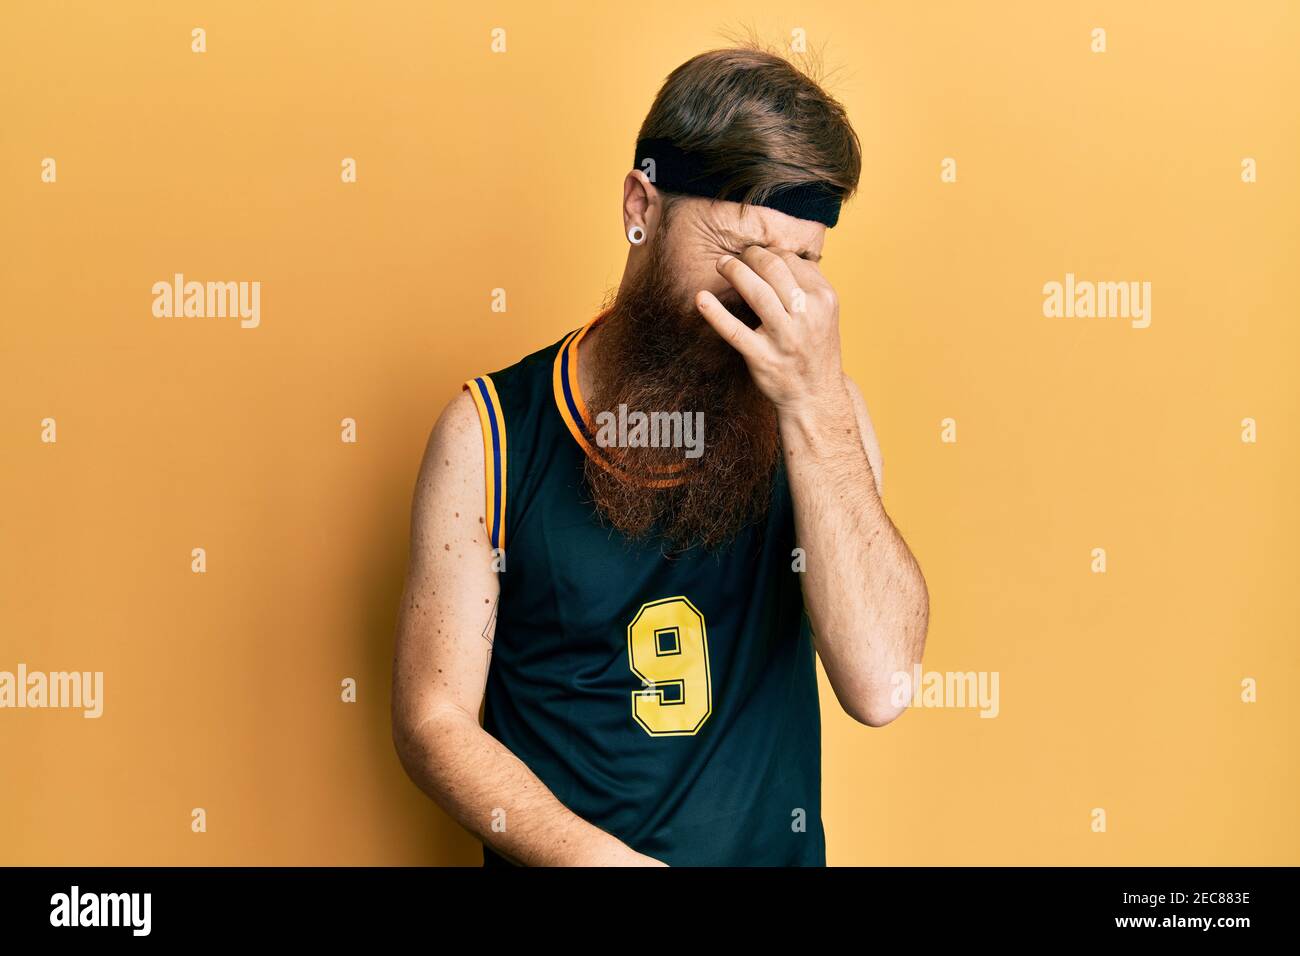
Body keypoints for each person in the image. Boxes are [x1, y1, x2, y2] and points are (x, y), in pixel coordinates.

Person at [392, 45, 929, 866]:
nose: (768, 297)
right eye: (743, 251)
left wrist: (815, 406)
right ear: (642, 205)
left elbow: (883, 686)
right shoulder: (489, 434)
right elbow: (432, 721)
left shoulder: (822, 420)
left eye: (804, 263)